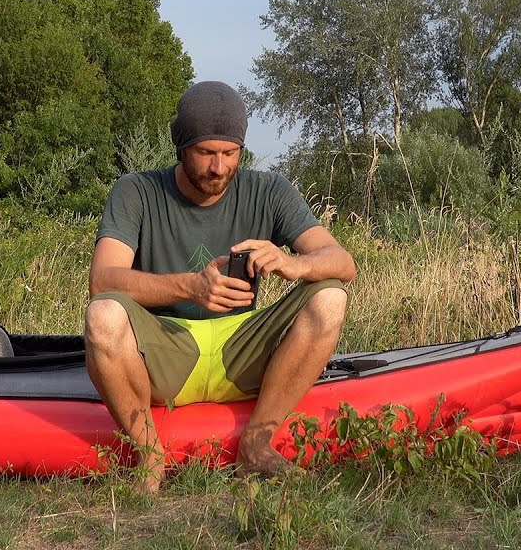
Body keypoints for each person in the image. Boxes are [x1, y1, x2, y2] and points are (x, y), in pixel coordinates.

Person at [84, 81, 356, 493]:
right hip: (166, 350)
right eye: (206, 153)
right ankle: (149, 456)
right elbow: (102, 280)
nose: (219, 167)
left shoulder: (270, 190)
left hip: (242, 347)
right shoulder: (135, 190)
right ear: (180, 147)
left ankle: (256, 443)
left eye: (229, 153)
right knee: (102, 315)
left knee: (331, 295)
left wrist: (292, 263)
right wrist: (191, 287)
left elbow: (343, 262)